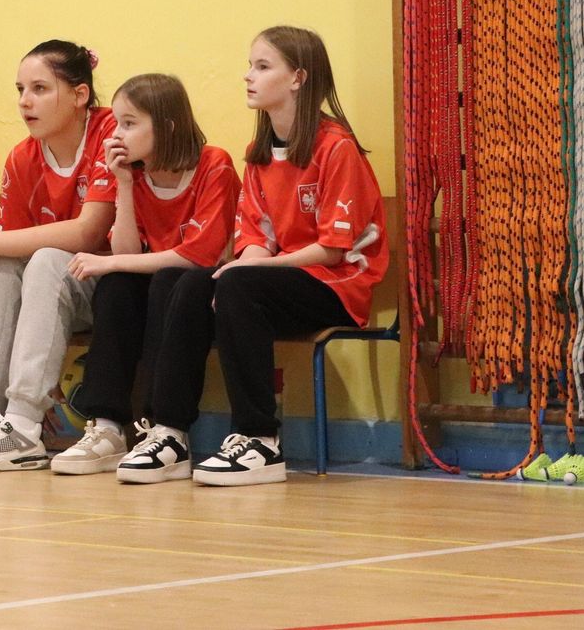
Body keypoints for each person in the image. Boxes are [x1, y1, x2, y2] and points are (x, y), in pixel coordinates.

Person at [111, 27, 387, 486]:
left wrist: (249, 268)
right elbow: (258, 237)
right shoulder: (258, 156)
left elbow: (332, 250)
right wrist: (242, 265)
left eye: (262, 66)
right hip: (282, 280)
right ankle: (169, 432)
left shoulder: (336, 147)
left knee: (237, 281)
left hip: (338, 285)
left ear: (298, 78)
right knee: (184, 280)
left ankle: (260, 438)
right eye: (250, 65)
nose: (248, 76)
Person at [0, 41, 116, 472]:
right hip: (53, 293)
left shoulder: (108, 134)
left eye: (40, 89)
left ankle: (25, 426)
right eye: (20, 90)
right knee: (6, 262)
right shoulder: (22, 157)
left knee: (41, 257)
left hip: (114, 285)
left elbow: (88, 232)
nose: (25, 101)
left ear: (80, 95)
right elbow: (9, 248)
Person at [47, 73, 240, 476]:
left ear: (167, 126)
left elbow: (198, 256)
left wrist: (109, 263)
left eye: (130, 123)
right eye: (117, 122)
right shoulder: (133, 175)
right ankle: (106, 428)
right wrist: (123, 185)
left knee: (167, 280)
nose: (116, 134)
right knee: (117, 286)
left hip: (205, 291)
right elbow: (127, 254)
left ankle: (168, 432)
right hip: (158, 287)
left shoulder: (214, 165)